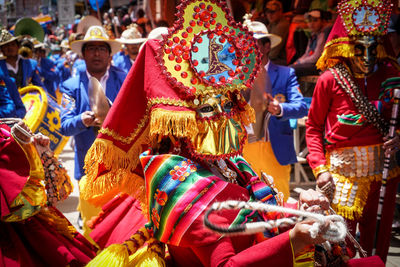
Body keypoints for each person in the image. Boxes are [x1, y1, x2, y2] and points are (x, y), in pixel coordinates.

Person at [80, 1, 383, 266]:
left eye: (231, 103)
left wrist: (299, 208)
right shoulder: (177, 181)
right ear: (181, 120)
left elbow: (261, 214)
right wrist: (293, 240)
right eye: (211, 109)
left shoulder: (230, 163)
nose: (230, 119)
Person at [306, 0, 400, 262]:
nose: (367, 58)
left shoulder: (392, 75)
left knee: (377, 243)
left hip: (384, 173)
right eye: (360, 49)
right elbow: (313, 126)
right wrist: (320, 169)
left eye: (373, 48)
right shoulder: (330, 79)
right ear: (346, 47)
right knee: (340, 242)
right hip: (341, 175)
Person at [0, 120, 97, 266]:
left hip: (28, 223)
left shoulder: (5, 129)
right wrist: (27, 150)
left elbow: (46, 197)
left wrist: (35, 150)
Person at [60, 25, 126, 233]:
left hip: (123, 168)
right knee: (94, 229)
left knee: (124, 228)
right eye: (91, 49)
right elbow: (64, 126)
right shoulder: (70, 86)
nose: (96, 53)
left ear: (109, 55)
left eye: (101, 49)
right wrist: (82, 119)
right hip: (90, 170)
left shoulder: (124, 79)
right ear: (83, 54)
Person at [242, 20, 308, 201]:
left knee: (280, 201)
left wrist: (280, 109)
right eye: (244, 42)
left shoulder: (286, 74)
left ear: (266, 46)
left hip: (275, 148)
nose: (249, 48)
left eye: (254, 42)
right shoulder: (236, 76)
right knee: (245, 201)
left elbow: (301, 107)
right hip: (243, 148)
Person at [290, 9, 328, 77]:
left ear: (322, 21)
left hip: (318, 66)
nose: (312, 23)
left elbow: (315, 57)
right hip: (309, 63)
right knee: (289, 68)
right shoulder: (313, 35)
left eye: (315, 20)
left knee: (291, 69)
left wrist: (300, 62)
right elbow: (307, 53)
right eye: (309, 21)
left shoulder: (323, 35)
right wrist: (298, 61)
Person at [265, 0, 290, 65]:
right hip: (271, 57)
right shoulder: (272, 23)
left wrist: (262, 59)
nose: (269, 15)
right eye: (267, 12)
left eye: (273, 12)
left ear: (280, 11)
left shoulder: (282, 25)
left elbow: (274, 53)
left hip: (279, 59)